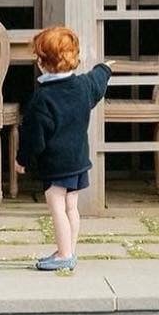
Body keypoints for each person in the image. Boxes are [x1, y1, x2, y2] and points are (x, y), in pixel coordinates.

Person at [15, 26, 110, 272]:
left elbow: (33, 136)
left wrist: (22, 159)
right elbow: (98, 80)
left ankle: (65, 254)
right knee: (71, 207)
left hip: (56, 164)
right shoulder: (83, 87)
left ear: (42, 63)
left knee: (56, 206)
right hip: (78, 160)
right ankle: (68, 249)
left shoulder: (42, 98)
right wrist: (105, 68)